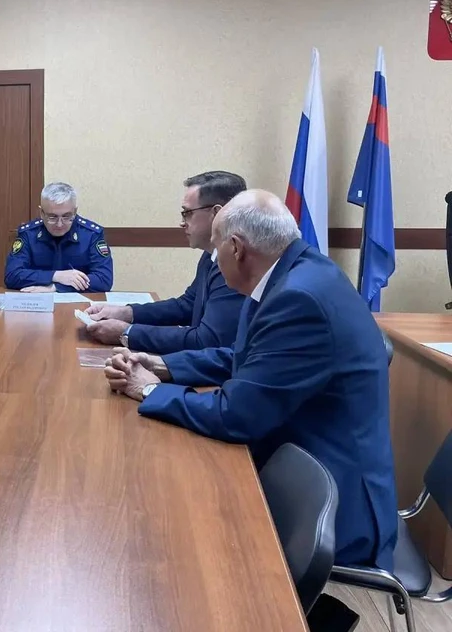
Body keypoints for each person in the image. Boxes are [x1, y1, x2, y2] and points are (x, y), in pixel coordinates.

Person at [103, 190, 398, 571]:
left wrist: (148, 389)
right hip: (299, 462)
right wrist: (163, 365)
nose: (213, 260)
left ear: (237, 249)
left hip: (329, 507)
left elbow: (236, 415)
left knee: (177, 532)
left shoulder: (298, 298)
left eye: (216, 250)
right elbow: (248, 357)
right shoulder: (294, 273)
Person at [85, 171, 246, 353]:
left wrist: (127, 333)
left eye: (187, 213)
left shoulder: (235, 263)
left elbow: (206, 340)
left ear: (216, 213)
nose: (182, 223)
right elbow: (187, 305)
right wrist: (126, 312)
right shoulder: (210, 254)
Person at [4, 182, 113, 293]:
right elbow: (12, 275)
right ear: (42, 213)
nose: (59, 224)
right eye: (52, 217)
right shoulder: (28, 234)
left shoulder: (91, 234)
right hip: (37, 301)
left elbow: (104, 279)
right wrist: (56, 276)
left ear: (75, 212)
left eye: (66, 216)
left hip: (80, 303)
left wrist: (56, 288)